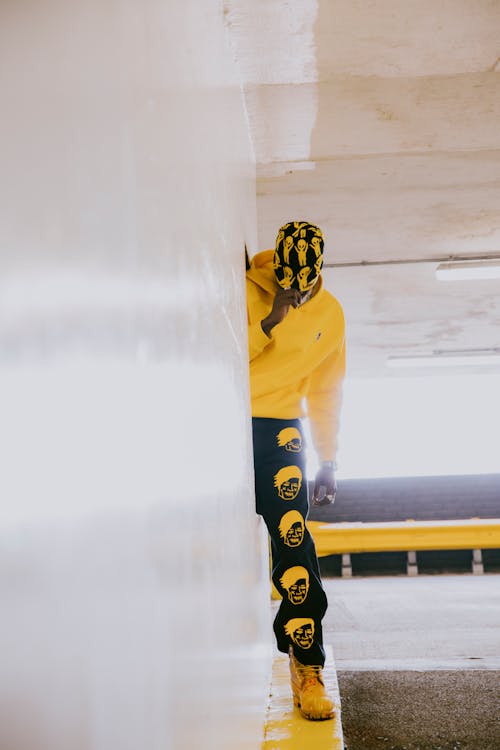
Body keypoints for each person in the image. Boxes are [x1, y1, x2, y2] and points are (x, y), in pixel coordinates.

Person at [246, 220, 346, 721]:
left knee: (293, 538)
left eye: (304, 284)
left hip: (282, 427)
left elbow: (326, 389)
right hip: (226, 419)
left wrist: (327, 458)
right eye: (289, 281)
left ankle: (306, 665)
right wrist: (270, 319)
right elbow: (217, 357)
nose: (297, 291)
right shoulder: (245, 290)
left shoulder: (331, 313)